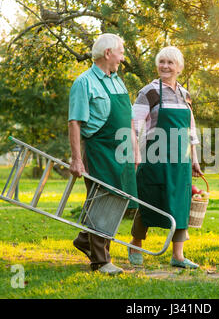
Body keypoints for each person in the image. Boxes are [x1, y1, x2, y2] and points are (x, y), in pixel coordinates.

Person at [68, 33, 140, 275]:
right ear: (108, 53)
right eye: (120, 52)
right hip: (99, 148)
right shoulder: (84, 82)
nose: (122, 57)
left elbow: (128, 121)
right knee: (103, 199)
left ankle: (84, 239)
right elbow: (75, 123)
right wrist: (77, 159)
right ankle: (100, 260)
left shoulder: (118, 81)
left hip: (122, 149)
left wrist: (136, 150)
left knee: (118, 199)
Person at [128, 46, 203, 269]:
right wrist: (136, 153)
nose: (165, 66)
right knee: (149, 199)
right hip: (154, 156)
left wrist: (195, 159)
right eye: (162, 62)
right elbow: (133, 125)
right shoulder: (148, 92)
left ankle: (178, 256)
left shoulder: (185, 94)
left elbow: (191, 129)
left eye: (170, 63)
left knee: (181, 203)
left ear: (179, 67)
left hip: (181, 160)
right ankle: (135, 244)